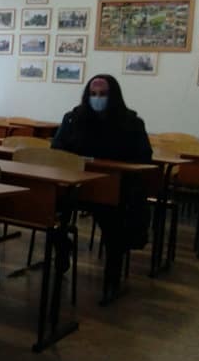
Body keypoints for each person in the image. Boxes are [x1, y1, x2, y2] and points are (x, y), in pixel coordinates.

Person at [52, 74, 153, 255]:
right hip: (75, 183)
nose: (97, 98)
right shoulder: (73, 118)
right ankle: (62, 249)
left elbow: (144, 156)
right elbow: (57, 149)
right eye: (93, 94)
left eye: (103, 94)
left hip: (113, 186)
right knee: (48, 208)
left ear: (114, 96)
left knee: (113, 222)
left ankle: (113, 265)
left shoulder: (131, 122)